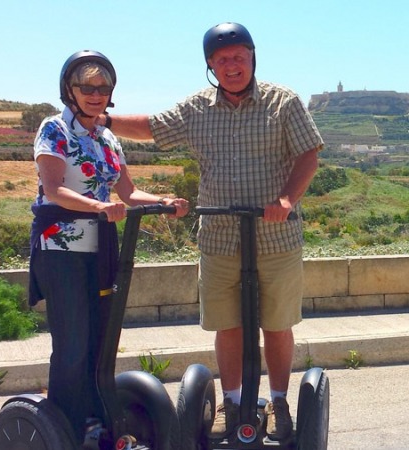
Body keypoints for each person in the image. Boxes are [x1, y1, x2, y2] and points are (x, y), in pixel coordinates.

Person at [101, 22, 323, 440]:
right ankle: (233, 401)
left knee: (277, 325)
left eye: (239, 57)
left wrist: (286, 201)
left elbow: (308, 155)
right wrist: (103, 117)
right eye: (222, 60)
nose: (232, 66)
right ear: (210, 66)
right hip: (220, 238)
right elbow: (152, 127)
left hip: (275, 237)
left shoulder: (283, 102)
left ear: (253, 57)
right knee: (228, 325)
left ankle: (277, 402)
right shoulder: (197, 108)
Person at [28, 50, 189, 442]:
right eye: (87, 86)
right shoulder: (54, 129)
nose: (95, 94)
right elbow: (54, 189)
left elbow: (128, 192)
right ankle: (68, 425)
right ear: (71, 89)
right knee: (74, 342)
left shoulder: (108, 137)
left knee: (101, 339)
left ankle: (97, 418)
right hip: (60, 249)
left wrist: (163, 202)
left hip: (101, 249)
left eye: (103, 87)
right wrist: (99, 206)